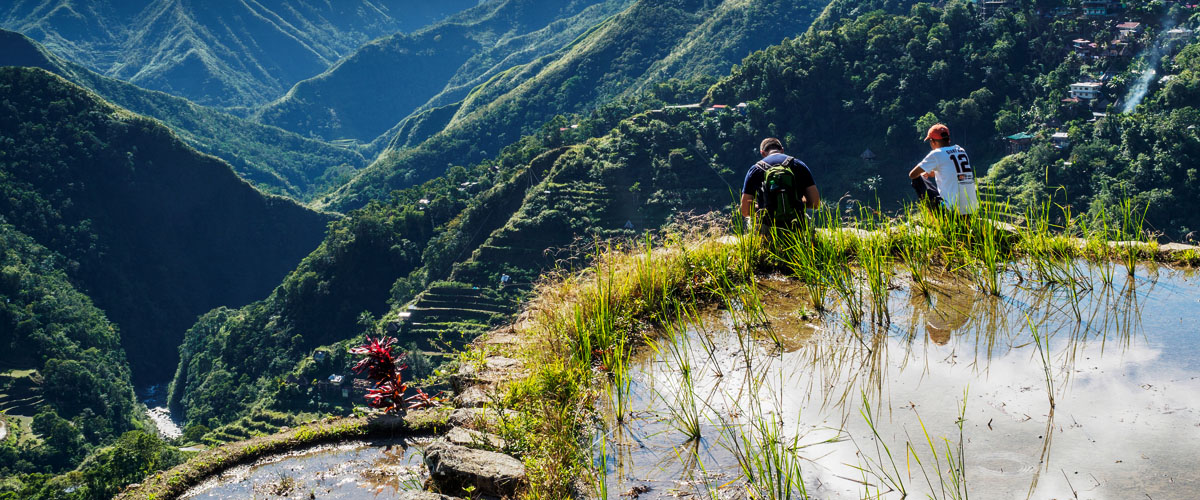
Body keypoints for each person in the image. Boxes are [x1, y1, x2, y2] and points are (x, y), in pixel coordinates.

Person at [740, 137, 820, 233]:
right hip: (798, 224)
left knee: (752, 222)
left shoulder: (755, 170)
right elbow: (815, 203)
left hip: (767, 227)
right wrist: (795, 202)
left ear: (762, 153)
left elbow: (745, 210)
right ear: (782, 150)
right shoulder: (799, 165)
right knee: (808, 223)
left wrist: (762, 207)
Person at [908, 123, 978, 215]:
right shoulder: (961, 150)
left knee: (916, 180)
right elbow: (950, 170)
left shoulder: (936, 154)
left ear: (932, 141)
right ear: (948, 139)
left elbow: (912, 174)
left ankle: (934, 218)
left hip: (951, 210)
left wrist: (923, 174)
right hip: (971, 209)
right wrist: (930, 173)